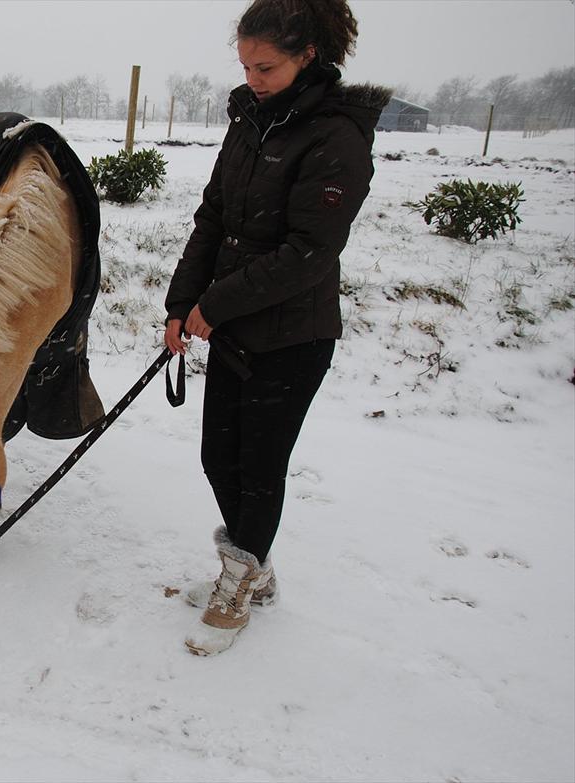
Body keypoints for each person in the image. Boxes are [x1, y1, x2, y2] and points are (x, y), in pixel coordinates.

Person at [163, 0, 391, 656]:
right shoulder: (251, 120)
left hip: (293, 336)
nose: (253, 77)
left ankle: (241, 581)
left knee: (259, 468)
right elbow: (214, 217)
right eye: (245, 65)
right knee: (218, 455)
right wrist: (182, 304)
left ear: (308, 55)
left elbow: (307, 253)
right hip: (233, 324)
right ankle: (253, 567)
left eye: (266, 66)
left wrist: (218, 304)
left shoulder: (336, 137)